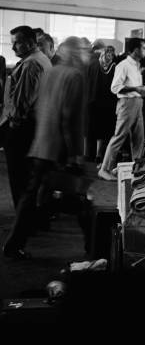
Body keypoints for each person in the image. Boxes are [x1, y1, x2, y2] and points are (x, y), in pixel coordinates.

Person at [3, 37, 87, 259]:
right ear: (73, 54)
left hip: (42, 142)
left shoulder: (51, 71)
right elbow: (69, 117)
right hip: (60, 148)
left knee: (32, 195)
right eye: (82, 51)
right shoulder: (75, 76)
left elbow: (40, 106)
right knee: (78, 197)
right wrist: (74, 153)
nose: (86, 55)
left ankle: (15, 242)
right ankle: (94, 249)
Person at [0, 26, 52, 209]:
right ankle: (30, 217)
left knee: (19, 177)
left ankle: (24, 219)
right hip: (34, 125)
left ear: (30, 42)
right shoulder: (42, 59)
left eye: (17, 43)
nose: (13, 48)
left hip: (22, 127)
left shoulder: (31, 64)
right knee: (27, 177)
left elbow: (21, 102)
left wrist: (12, 127)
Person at [98, 38, 145, 181]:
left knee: (138, 139)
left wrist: (142, 91)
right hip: (127, 104)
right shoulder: (123, 65)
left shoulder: (136, 66)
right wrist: (136, 88)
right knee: (119, 137)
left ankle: (138, 169)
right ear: (135, 49)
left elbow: (133, 88)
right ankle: (104, 169)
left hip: (137, 102)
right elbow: (115, 88)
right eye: (144, 48)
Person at [88, 45, 117, 165]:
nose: (110, 56)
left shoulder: (94, 65)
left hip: (94, 101)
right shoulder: (114, 67)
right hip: (108, 103)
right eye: (109, 54)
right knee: (106, 130)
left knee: (95, 128)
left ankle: (92, 154)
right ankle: (100, 154)